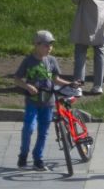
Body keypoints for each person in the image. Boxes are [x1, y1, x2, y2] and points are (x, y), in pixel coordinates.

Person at [12, 30, 68, 170]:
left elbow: (55, 79)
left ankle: (38, 158)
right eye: (46, 45)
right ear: (36, 45)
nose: (49, 48)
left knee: (44, 131)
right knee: (29, 128)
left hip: (48, 101)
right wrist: (27, 86)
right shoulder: (28, 61)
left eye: (51, 45)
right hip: (32, 101)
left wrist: (69, 84)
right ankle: (23, 155)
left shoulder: (51, 61)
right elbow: (17, 79)